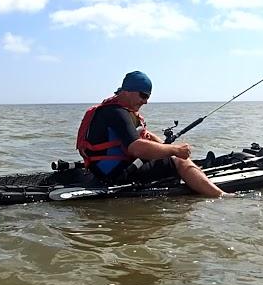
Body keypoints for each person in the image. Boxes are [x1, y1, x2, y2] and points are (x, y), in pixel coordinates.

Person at [76, 71, 229, 197]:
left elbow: (143, 135)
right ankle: (220, 195)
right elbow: (136, 148)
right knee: (179, 160)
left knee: (170, 155)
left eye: (148, 97)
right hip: (116, 174)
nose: (146, 101)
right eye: (143, 95)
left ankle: (193, 175)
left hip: (102, 170)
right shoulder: (118, 113)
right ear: (128, 91)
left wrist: (163, 147)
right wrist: (175, 150)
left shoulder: (111, 110)